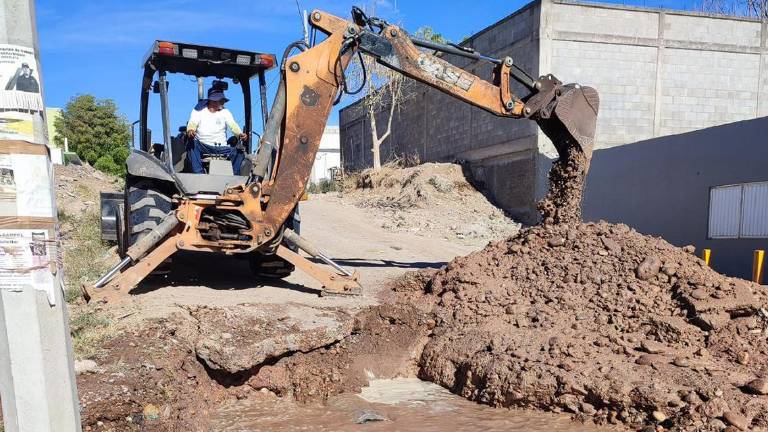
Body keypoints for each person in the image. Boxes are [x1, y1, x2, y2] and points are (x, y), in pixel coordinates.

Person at [185, 88, 248, 174]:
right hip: (203, 146)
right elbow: (192, 123)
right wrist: (190, 130)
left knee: (240, 151)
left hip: (221, 148)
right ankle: (199, 174)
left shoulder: (225, 112)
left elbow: (233, 126)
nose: (223, 103)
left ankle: (234, 177)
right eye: (221, 101)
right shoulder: (199, 110)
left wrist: (240, 134)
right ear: (212, 101)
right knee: (192, 145)